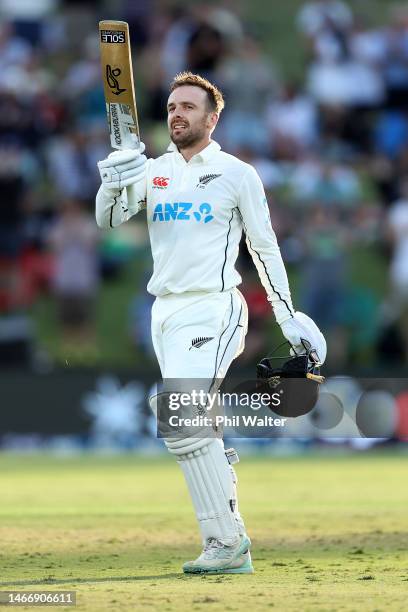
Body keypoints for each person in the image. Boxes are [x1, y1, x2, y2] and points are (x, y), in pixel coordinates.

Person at [95, 72, 326, 575]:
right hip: (164, 310)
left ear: (212, 117)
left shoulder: (237, 174)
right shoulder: (152, 170)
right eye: (173, 106)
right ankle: (228, 538)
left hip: (214, 306)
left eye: (189, 107)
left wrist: (287, 319)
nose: (177, 114)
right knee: (192, 428)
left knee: (180, 419)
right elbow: (110, 222)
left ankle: (227, 544)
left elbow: (264, 249)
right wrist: (113, 179)